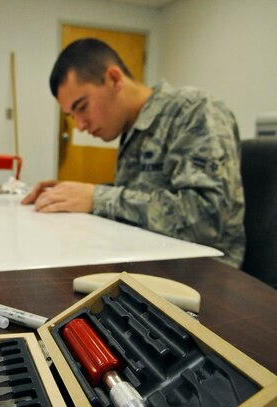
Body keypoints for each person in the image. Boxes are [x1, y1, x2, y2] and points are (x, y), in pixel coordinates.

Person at [22, 38, 245, 267]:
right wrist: (71, 194)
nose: (80, 125)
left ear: (114, 79)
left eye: (82, 107)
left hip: (205, 274)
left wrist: (97, 197)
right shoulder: (132, 128)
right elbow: (143, 195)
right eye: (72, 115)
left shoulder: (195, 109)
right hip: (150, 258)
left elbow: (207, 218)